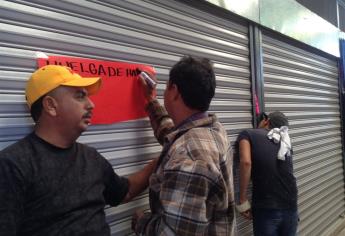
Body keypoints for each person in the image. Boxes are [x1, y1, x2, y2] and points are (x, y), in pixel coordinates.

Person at [0, 65, 157, 236]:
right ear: (51, 106)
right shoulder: (13, 165)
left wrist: (160, 160)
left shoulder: (91, 157)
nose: (91, 104)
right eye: (80, 96)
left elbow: (123, 192)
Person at [132, 56, 236, 235]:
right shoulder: (215, 130)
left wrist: (142, 222)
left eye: (166, 87)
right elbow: (173, 134)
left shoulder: (188, 156)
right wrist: (151, 101)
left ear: (175, 91)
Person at [237, 111, 298, 236]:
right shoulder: (286, 142)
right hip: (291, 204)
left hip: (267, 207)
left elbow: (246, 163)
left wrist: (242, 198)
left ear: (266, 121)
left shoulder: (248, 134)